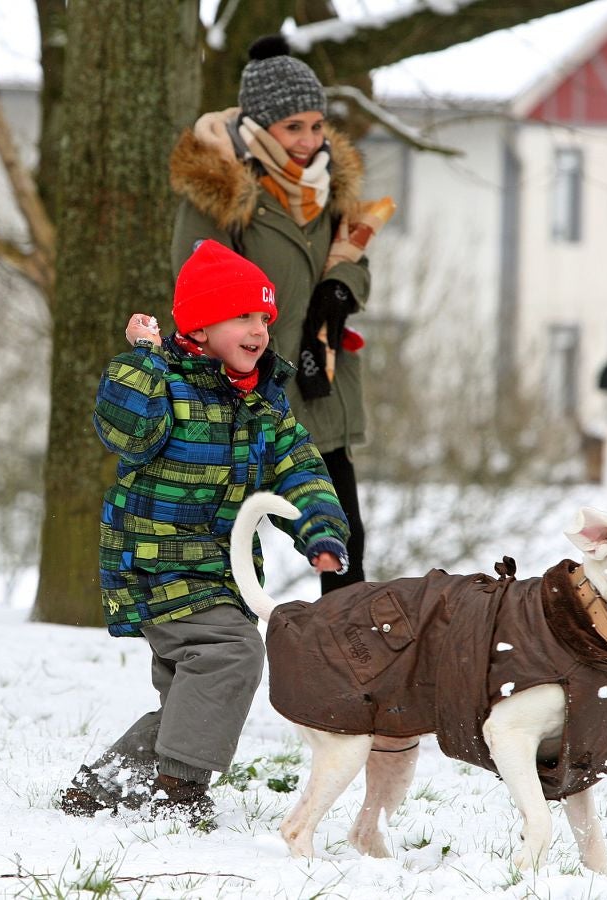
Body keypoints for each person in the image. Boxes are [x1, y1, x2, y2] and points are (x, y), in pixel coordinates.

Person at [58, 239, 350, 827]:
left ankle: (104, 788)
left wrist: (320, 530)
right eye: (242, 315)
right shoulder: (160, 380)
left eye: (264, 318)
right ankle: (179, 788)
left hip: (221, 569)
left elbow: (301, 467)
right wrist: (143, 357)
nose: (258, 329)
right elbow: (127, 431)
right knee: (230, 653)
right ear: (199, 324)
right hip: (154, 561)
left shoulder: (263, 404)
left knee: (193, 691)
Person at [169, 33, 372, 594]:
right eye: (293, 127)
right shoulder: (223, 188)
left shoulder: (331, 189)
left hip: (319, 384)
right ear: (259, 126)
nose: (309, 140)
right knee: (232, 539)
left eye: (316, 125)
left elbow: (357, 260)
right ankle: (221, 653)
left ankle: (349, 664)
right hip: (246, 394)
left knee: (345, 539)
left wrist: (337, 292)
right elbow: (196, 285)